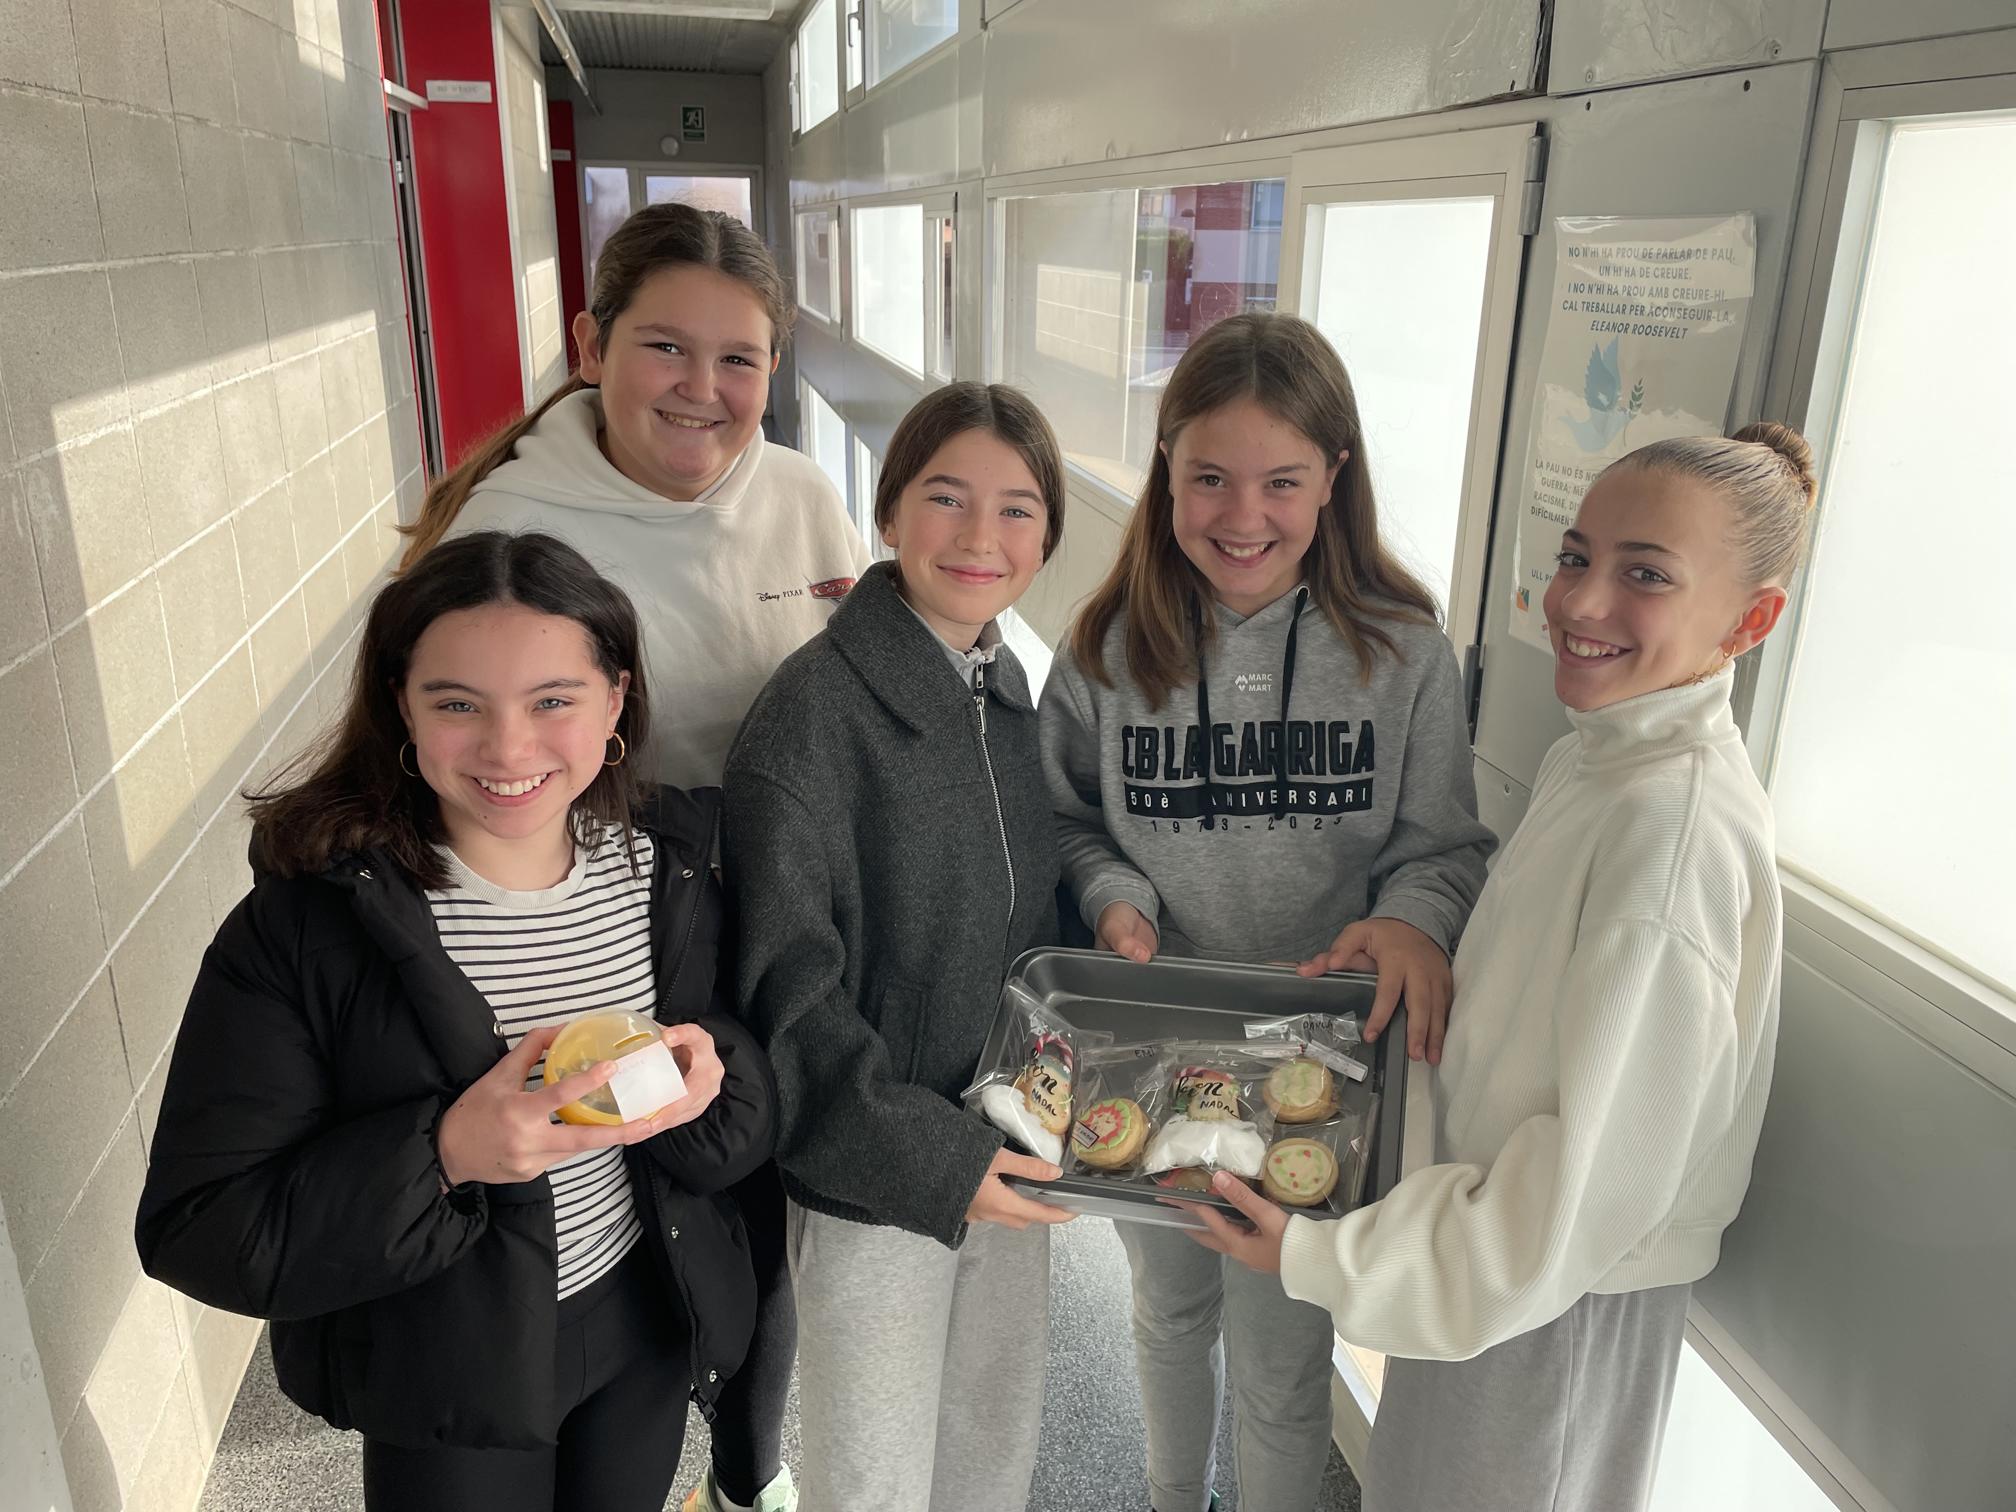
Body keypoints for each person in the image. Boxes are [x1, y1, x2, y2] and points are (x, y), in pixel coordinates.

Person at [1187, 425, 1813, 1512]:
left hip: (1546, 1295)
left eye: (1646, 575)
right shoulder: (1602, 757)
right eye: (1576, 557)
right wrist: (1416, 939)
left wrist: (1327, 1262)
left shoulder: (1675, 838)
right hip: (1483, 1267)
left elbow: (1586, 1192)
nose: (1581, 602)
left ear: (1750, 621)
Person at [135, 531, 774, 1512]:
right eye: (457, 704)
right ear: (402, 705)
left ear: (616, 699)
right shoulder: (309, 930)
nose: (509, 749)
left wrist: (714, 1073)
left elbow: (740, 1104)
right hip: (449, 1367)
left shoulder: (670, 870)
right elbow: (201, 1224)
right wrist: (446, 1156)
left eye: (553, 701)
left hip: (647, 1320)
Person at [401, 201, 868, 1512]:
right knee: (614, 1224)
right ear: (590, 343)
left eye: (741, 359)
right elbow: (440, 755)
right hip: (606, 928)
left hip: (777, 917)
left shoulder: (801, 495)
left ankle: (747, 1474)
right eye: (666, 346)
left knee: (755, 1224)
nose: (703, 389)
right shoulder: (512, 529)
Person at [1039, 312, 1495, 1512]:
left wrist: (1413, 920)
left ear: (1334, 477)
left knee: (1288, 1354)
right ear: (1166, 470)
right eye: (1210, 478)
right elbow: (1066, 825)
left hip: (1320, 1066)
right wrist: (1115, 895)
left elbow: (1443, 847)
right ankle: (1170, 1495)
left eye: (1282, 482)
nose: (1243, 516)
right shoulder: (1102, 650)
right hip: (1151, 1052)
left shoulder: (1406, 653)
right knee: (1167, 1310)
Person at [724, 383, 1072, 1512]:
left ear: (1047, 539)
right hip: (878, 1181)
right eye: (946, 497)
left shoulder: (1005, 691)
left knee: (989, 1454)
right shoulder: (810, 717)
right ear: (887, 512)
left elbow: (1027, 920)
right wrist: (937, 1161)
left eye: (1017, 510)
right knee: (873, 1483)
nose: (981, 536)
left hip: (1007, 1149)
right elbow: (789, 1000)